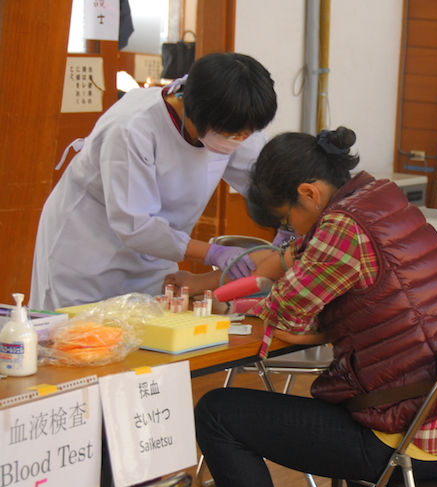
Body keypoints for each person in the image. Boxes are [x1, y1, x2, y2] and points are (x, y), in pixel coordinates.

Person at [192, 127, 437, 487]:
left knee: (216, 413)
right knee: (350, 392)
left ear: (309, 193)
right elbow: (303, 272)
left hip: (411, 440)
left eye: (286, 218)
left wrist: (232, 304)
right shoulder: (381, 198)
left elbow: (285, 317)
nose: (291, 230)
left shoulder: (341, 227)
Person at [30, 52, 278, 311]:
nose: (241, 139)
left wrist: (285, 220)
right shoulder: (132, 129)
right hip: (89, 249)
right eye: (235, 134)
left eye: (248, 132)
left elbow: (264, 180)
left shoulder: (231, 119)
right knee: (78, 336)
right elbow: (136, 224)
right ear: (198, 112)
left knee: (150, 331)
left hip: (158, 251)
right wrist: (213, 253)